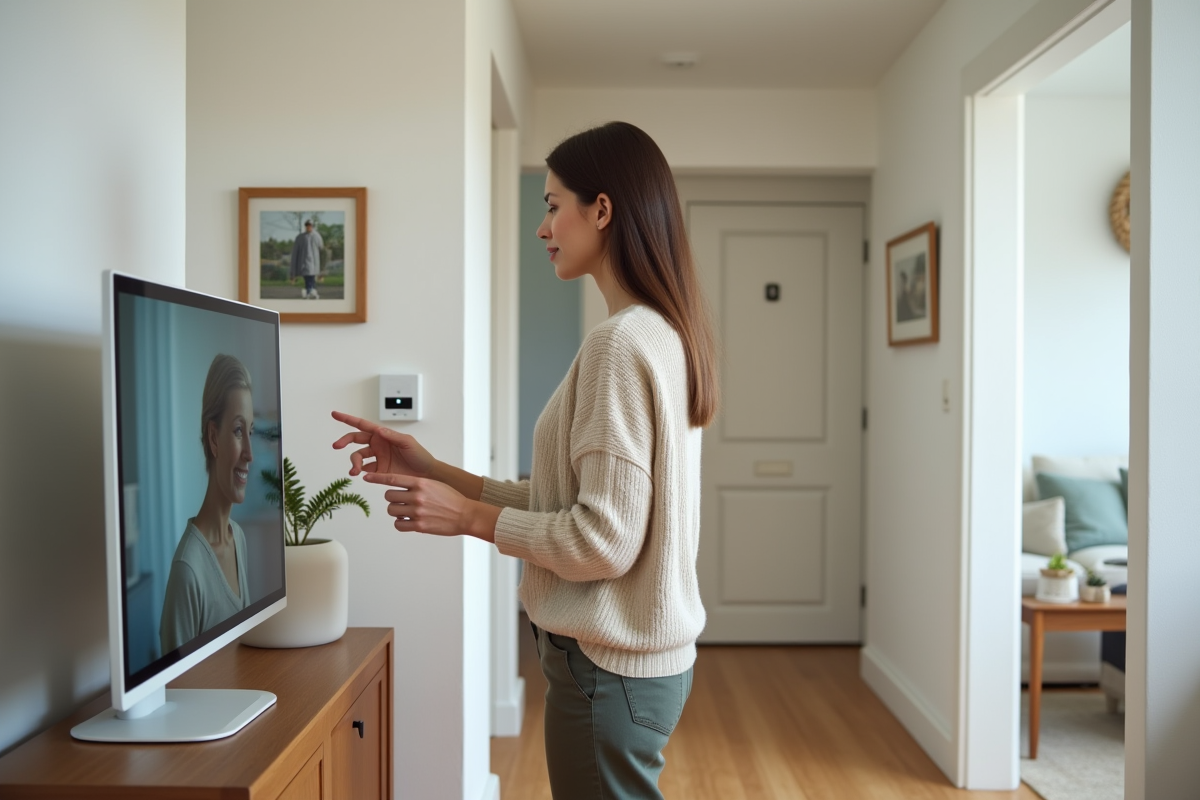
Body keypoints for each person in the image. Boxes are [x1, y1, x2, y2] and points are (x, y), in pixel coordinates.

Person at [332, 121, 717, 799]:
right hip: (639, 671)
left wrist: (470, 517)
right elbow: (569, 503)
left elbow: (602, 541)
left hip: (607, 675)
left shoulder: (618, 347)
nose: (543, 228)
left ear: (601, 210)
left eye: (551, 205)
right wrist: (435, 472)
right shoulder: (662, 334)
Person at [160, 354, 254, 653]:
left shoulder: (237, 537)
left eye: (250, 432)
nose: (250, 453)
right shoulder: (188, 570)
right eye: (239, 431)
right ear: (213, 438)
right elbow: (175, 690)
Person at [289, 219, 324, 299]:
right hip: (304, 262)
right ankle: (310, 291)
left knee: (311, 277)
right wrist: (294, 269)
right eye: (307, 226)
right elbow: (295, 252)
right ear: (305, 226)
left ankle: (310, 291)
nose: (308, 227)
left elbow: (321, 249)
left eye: (310, 226)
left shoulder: (317, 236)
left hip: (315, 263)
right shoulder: (300, 237)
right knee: (308, 277)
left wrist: (322, 267)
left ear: (312, 226)